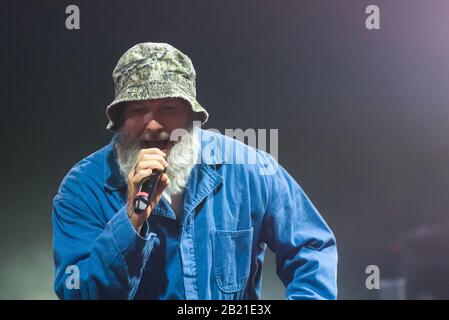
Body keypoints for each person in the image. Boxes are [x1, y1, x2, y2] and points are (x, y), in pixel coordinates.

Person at [52, 42, 338, 300]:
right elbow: (76, 293)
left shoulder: (249, 169)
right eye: (139, 109)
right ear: (120, 119)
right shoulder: (82, 187)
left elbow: (312, 247)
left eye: (169, 107)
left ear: (192, 116)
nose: (153, 125)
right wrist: (130, 220)